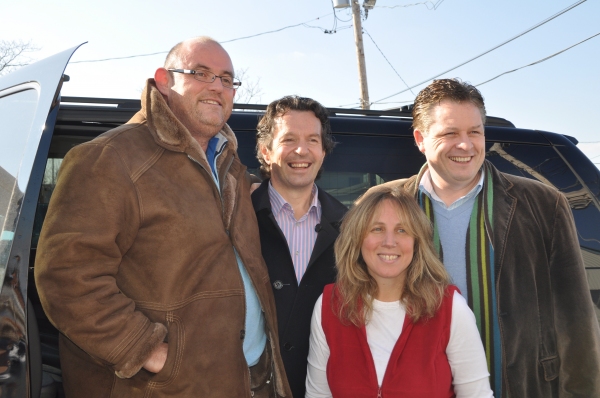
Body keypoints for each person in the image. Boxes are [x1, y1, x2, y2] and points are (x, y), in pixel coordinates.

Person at [34, 37, 291, 398]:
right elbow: (66, 278)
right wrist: (150, 353)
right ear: (164, 80)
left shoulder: (230, 166)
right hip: (164, 386)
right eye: (201, 73)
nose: (217, 86)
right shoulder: (109, 158)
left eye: (227, 79)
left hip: (247, 377)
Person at [367, 78, 600, 397]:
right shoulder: (380, 203)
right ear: (421, 138)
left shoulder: (543, 204)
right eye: (450, 133)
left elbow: (575, 318)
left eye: (474, 132)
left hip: (517, 387)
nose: (466, 145)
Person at [305, 186, 493, 397]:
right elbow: (318, 394)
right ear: (357, 240)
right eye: (377, 229)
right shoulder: (330, 305)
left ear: (416, 243)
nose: (389, 242)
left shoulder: (449, 307)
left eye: (402, 230)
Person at [251, 95, 348, 398]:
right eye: (288, 139)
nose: (301, 150)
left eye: (312, 140)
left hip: (324, 386)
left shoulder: (350, 226)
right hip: (248, 385)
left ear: (323, 151)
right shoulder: (235, 218)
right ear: (266, 151)